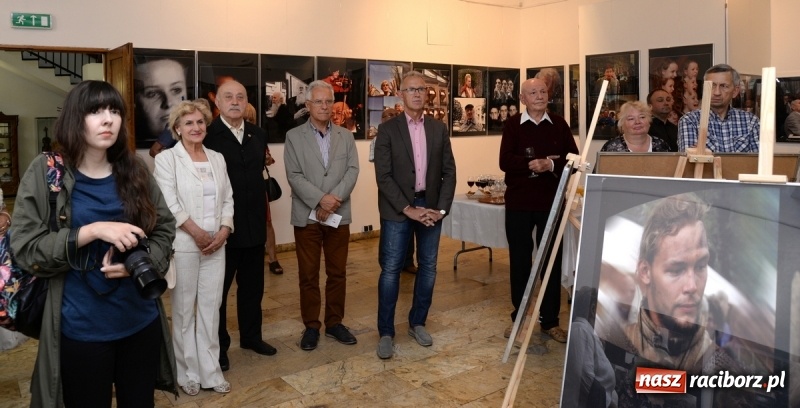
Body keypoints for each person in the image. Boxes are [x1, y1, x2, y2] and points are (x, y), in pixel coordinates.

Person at [11, 80, 177, 407]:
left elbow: (165, 228)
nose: (108, 119)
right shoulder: (47, 174)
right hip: (83, 328)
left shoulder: (135, 169)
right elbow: (27, 248)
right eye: (95, 111)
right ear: (75, 118)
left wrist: (144, 263)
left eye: (115, 110)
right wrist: (92, 231)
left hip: (140, 321)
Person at [374, 71, 456, 359]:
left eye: (421, 89)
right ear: (401, 94)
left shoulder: (438, 128)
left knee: (429, 268)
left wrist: (441, 210)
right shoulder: (387, 130)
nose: (418, 94)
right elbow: (383, 177)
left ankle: (417, 322)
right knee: (391, 270)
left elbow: (449, 172)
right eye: (411, 89)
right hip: (399, 210)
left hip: (431, 208)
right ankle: (385, 331)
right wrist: (408, 209)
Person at [153, 100, 234, 395]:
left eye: (200, 122)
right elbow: (169, 203)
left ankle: (211, 372)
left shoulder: (217, 158)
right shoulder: (167, 160)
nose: (196, 127)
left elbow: (228, 198)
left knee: (212, 310)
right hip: (185, 245)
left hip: (217, 245)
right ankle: (187, 373)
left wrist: (225, 229)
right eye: (188, 123)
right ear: (177, 128)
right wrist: (198, 233)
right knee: (185, 312)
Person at [622, 193, 740, 375]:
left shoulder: (724, 371)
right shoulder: (616, 344)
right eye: (676, 270)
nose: (692, 286)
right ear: (646, 272)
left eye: (701, 266)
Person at [499, 77, 579, 343]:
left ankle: (550, 322)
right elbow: (505, 161)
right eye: (533, 92)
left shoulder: (559, 125)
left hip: (551, 204)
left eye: (543, 91)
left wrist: (552, 165)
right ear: (522, 98)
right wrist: (532, 163)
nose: (539, 96)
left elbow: (574, 159)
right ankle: (520, 319)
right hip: (519, 205)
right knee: (520, 263)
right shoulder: (512, 125)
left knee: (551, 263)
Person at [203, 80, 274, 372]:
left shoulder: (258, 134)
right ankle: (219, 346)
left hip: (255, 225)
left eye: (241, 97)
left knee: (252, 288)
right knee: (218, 293)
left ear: (247, 103)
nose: (235, 101)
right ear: (217, 102)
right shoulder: (208, 137)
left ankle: (252, 337)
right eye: (228, 97)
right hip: (223, 230)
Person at [284, 80, 360, 351]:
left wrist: (331, 201)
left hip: (338, 215)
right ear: (308, 105)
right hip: (308, 216)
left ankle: (335, 322)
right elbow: (293, 175)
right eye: (318, 101)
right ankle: (311, 326)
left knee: (337, 273)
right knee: (308, 274)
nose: (325, 106)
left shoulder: (346, 136)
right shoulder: (294, 137)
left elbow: (352, 171)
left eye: (328, 101)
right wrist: (320, 200)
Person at [678, 64, 760, 152]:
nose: (717, 92)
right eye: (712, 86)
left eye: (724, 86)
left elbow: (757, 162)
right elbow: (690, 161)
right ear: (704, 89)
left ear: (735, 91)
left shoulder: (751, 121)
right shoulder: (690, 121)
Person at [135, 58, 188, 145]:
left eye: (176, 90)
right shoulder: (168, 133)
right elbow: (154, 151)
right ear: (136, 101)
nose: (168, 102)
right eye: (152, 93)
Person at [600, 101, 670, 152]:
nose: (637, 122)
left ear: (649, 121)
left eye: (642, 117)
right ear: (622, 124)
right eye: (631, 119)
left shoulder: (661, 145)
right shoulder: (611, 148)